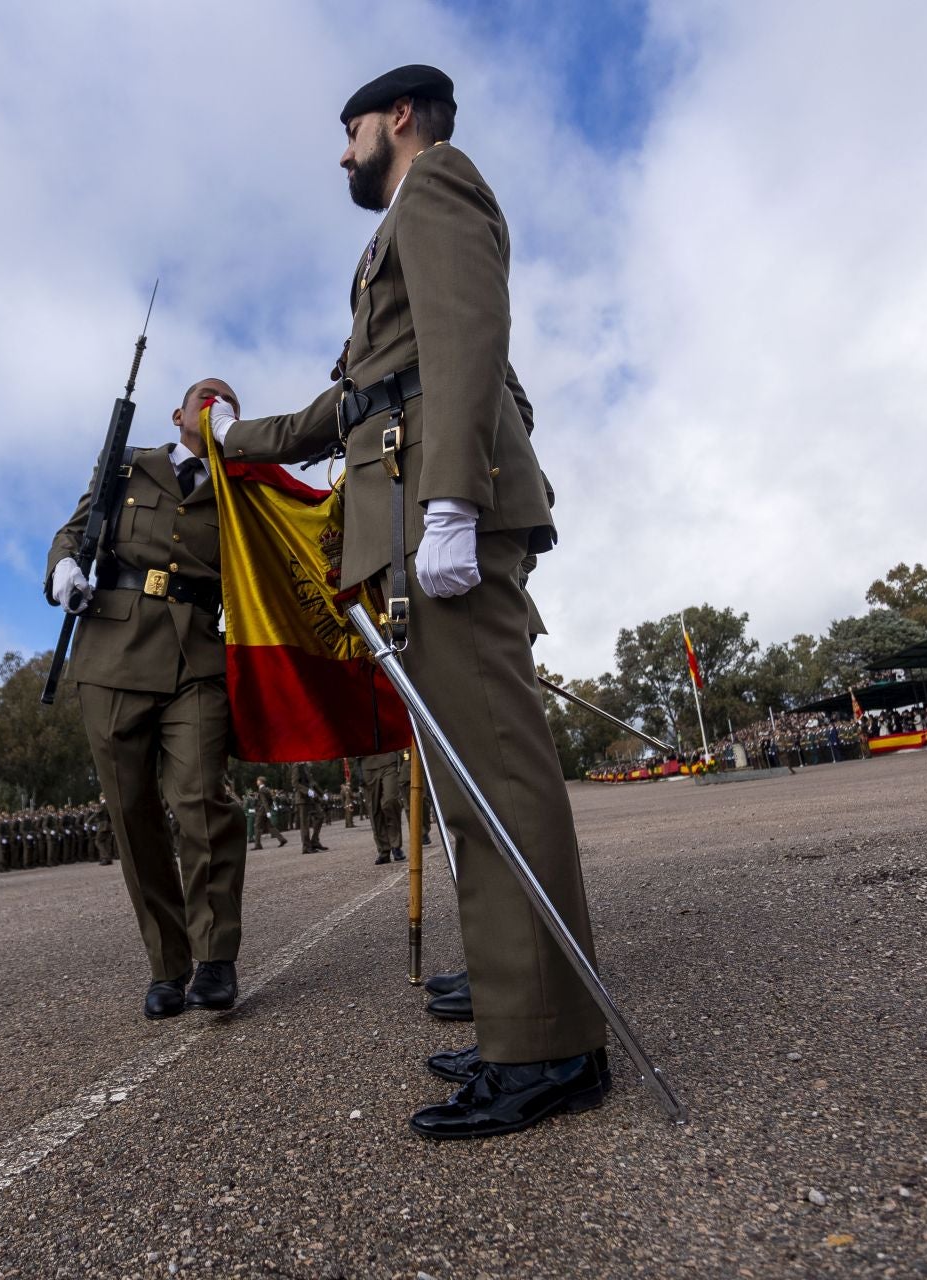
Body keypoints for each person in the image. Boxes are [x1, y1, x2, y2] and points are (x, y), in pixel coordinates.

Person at [210, 66, 608, 1139]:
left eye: (347, 133)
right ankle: (523, 1015)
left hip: (446, 510)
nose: (340, 155)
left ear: (397, 119)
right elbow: (355, 401)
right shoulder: (393, 229)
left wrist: (450, 506)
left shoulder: (438, 188)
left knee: (498, 775)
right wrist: (224, 442)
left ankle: (551, 1045)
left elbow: (469, 340)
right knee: (471, 784)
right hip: (411, 513)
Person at [45, 376, 248, 1020]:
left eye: (229, 401)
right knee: (132, 814)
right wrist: (62, 569)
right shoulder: (131, 466)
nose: (216, 404)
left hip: (198, 653)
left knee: (201, 800)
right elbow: (75, 530)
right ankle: (168, 965)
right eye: (204, 396)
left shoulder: (244, 483)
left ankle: (215, 959)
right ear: (178, 413)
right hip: (112, 651)